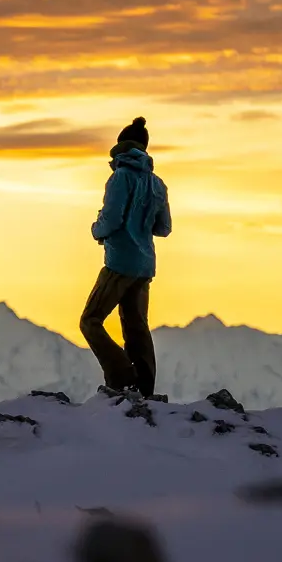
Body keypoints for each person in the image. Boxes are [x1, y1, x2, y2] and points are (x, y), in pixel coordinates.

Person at [79, 117, 172, 399]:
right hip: (145, 266)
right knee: (136, 326)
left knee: (91, 320)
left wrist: (97, 229)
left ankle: (122, 377)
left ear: (120, 148)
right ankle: (143, 388)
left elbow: (112, 218)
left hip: (119, 262)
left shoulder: (120, 177)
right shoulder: (157, 183)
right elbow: (163, 228)